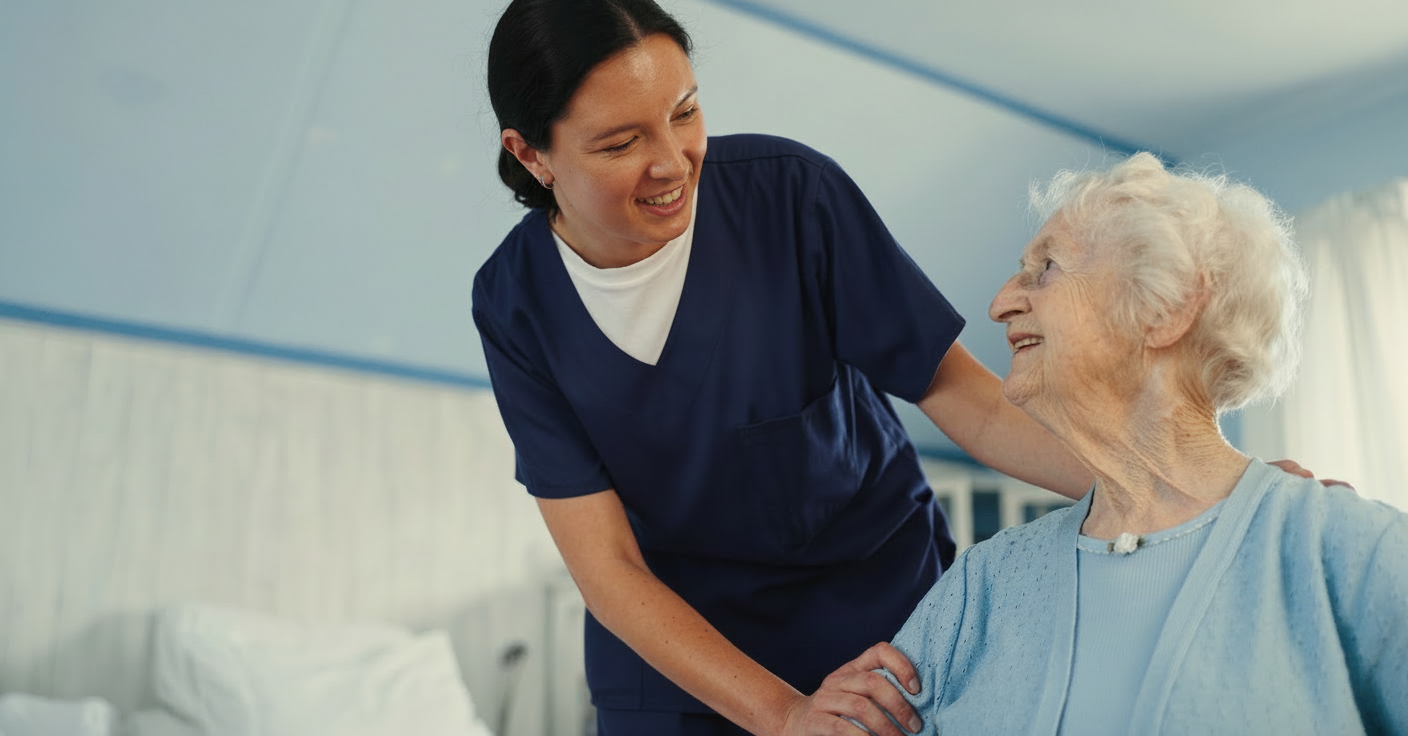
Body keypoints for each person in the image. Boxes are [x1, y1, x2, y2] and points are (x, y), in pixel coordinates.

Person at [475, 2, 1324, 734]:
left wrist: (1197, 492)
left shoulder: (790, 198)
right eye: (621, 142)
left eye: (685, 112)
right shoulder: (514, 305)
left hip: (874, 609)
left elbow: (966, 398)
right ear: (533, 154)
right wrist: (786, 715)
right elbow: (608, 568)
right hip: (681, 655)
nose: (672, 161)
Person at [882, 153, 1408, 735]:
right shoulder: (981, 585)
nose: (1000, 302)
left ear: (1166, 307)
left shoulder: (1351, 550)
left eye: (1046, 267)